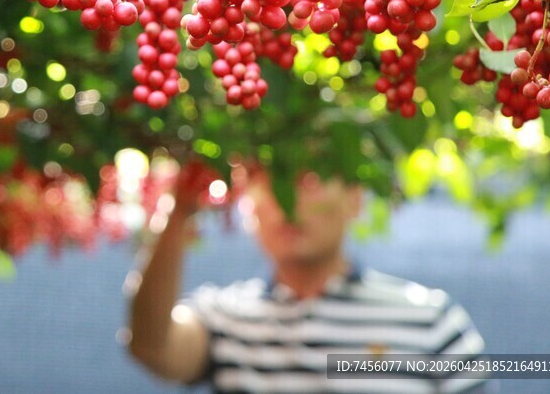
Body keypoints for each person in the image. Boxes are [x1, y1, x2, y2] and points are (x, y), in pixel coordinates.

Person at [124, 162, 488, 393]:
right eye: (266, 182)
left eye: (309, 181)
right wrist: (178, 211)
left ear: (354, 199)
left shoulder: (430, 320)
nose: (286, 202)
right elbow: (152, 347)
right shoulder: (224, 318)